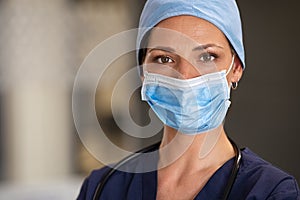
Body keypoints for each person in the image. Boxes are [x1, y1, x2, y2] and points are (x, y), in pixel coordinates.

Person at [77, 0, 300, 199]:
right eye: (164, 59)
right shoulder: (102, 188)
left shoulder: (269, 191)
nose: (185, 77)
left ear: (236, 68)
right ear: (144, 72)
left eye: (206, 56)